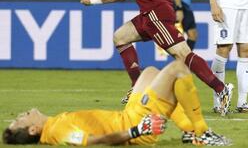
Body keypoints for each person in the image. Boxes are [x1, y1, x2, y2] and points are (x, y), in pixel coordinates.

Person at [79, 0, 233, 116]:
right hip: (152, 13)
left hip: (154, 13)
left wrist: (91, 0)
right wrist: (164, 2)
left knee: (183, 54)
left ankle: (221, 89)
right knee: (120, 37)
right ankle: (137, 87)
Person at [2, 61, 231, 146]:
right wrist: (136, 130)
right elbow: (95, 142)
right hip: (135, 124)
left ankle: (189, 133)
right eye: (19, 120)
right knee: (179, 69)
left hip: (126, 115)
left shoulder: (53, 126)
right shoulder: (58, 133)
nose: (22, 114)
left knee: (150, 71)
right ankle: (202, 133)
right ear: (33, 129)